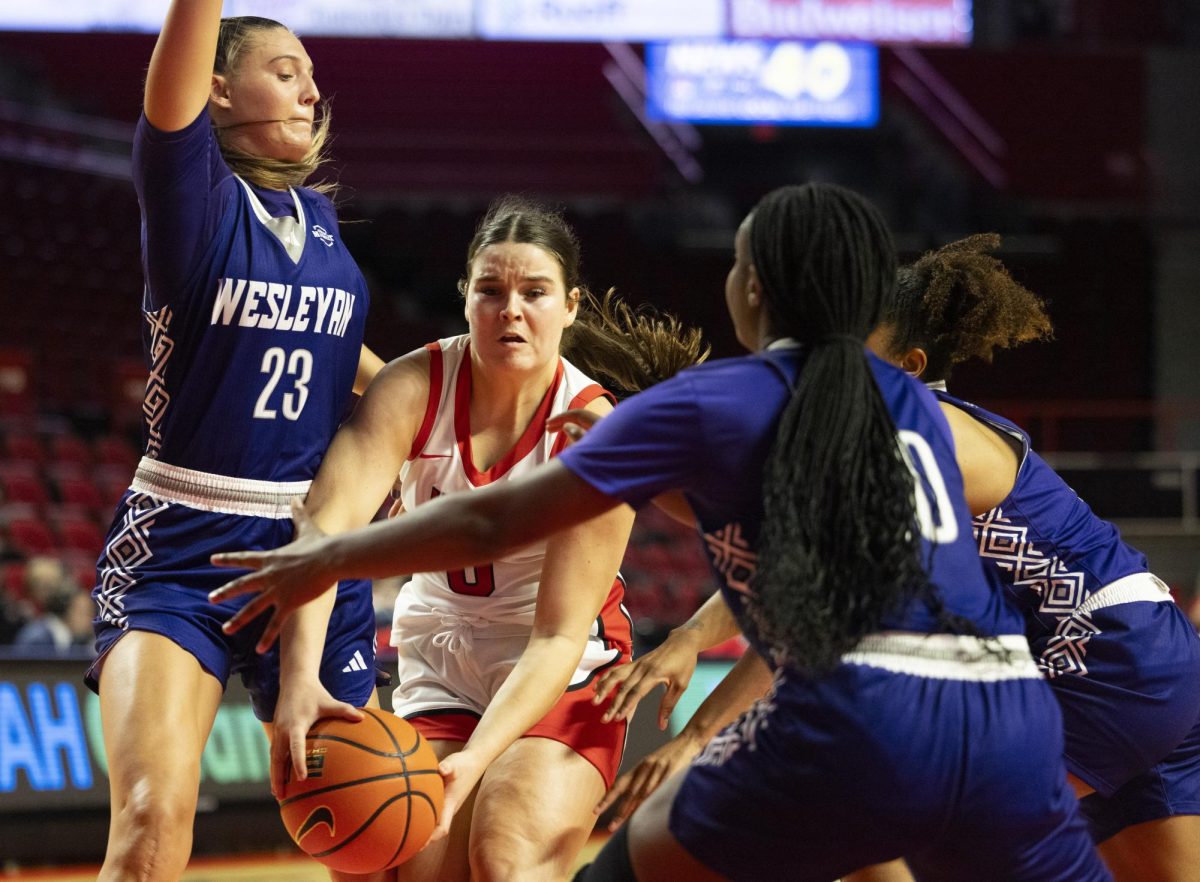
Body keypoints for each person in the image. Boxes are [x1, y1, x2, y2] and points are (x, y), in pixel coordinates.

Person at [212, 184, 1111, 881]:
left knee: (606, 860)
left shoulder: (706, 401)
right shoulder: (918, 405)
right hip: (1008, 709)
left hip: (858, 716)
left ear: (749, 288)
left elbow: (494, 518)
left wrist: (328, 555)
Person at [594, 233, 1200, 882]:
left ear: (906, 366)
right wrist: (691, 655)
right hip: (1146, 657)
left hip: (1097, 658)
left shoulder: (912, 434)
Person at [247, 194, 707, 882]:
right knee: (394, 858)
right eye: (491, 290)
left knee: (505, 856)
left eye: (534, 292)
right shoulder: (411, 388)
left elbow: (555, 637)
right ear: (466, 298)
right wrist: (301, 680)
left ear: (571, 307)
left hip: (563, 676)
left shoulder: (594, 426)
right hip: (441, 665)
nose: (510, 309)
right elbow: (324, 536)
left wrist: (477, 758)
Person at [85, 5, 383, 879]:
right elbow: (169, 92)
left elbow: (349, 359)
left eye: (310, 74)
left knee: (371, 832)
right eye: (286, 70)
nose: (312, 89)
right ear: (217, 89)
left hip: (315, 551)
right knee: (149, 826)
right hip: (183, 544)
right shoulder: (196, 198)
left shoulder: (322, 229)